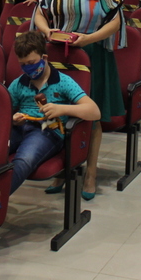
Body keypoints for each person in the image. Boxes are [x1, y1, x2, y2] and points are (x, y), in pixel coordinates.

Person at [35, 0, 126, 199]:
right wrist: (47, 31)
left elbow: (116, 21)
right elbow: (40, 12)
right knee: (58, 113)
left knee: (90, 116)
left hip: (92, 53)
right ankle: (63, 168)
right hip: (59, 54)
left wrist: (89, 39)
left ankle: (91, 174)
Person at [7, 30, 100, 195]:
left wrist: (62, 109)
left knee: (24, 160)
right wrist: (12, 118)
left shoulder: (63, 82)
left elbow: (94, 112)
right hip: (20, 128)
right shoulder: (18, 83)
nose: (28, 68)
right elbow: (2, 112)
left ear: (44, 58)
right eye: (23, 64)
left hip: (47, 132)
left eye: (32, 62)